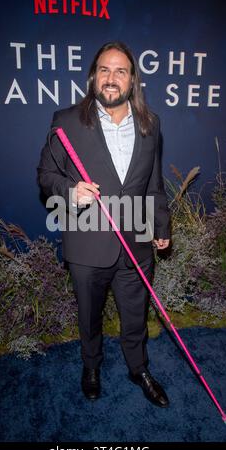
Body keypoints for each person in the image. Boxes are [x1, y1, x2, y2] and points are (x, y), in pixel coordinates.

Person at [37, 41, 171, 407]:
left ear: (132, 80)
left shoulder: (150, 123)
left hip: (137, 237)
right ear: (94, 76)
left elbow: (153, 183)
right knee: (89, 316)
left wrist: (161, 227)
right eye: (105, 70)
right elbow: (46, 175)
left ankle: (138, 368)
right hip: (87, 239)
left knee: (135, 314)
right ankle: (91, 366)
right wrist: (70, 190)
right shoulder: (66, 121)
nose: (112, 78)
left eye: (121, 71)